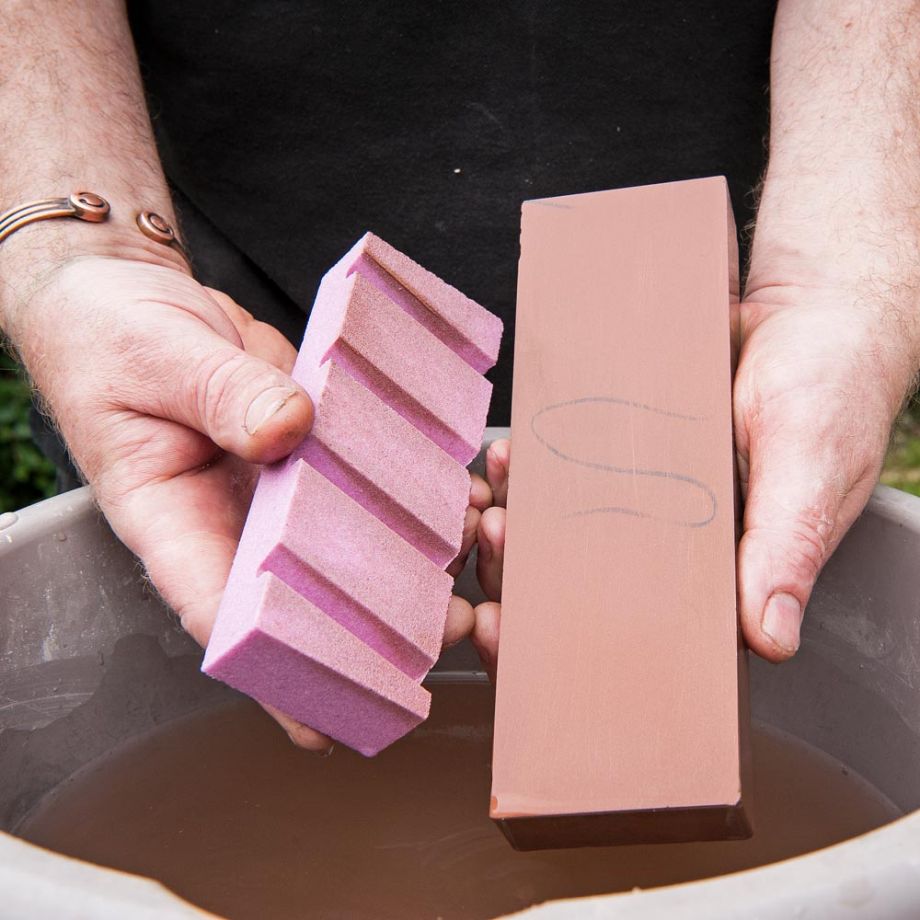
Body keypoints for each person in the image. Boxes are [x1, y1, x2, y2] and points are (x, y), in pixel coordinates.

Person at [0, 1, 917, 752]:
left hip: (712, 340)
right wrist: (87, 253)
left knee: (644, 737)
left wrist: (843, 276)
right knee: (264, 718)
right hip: (218, 358)